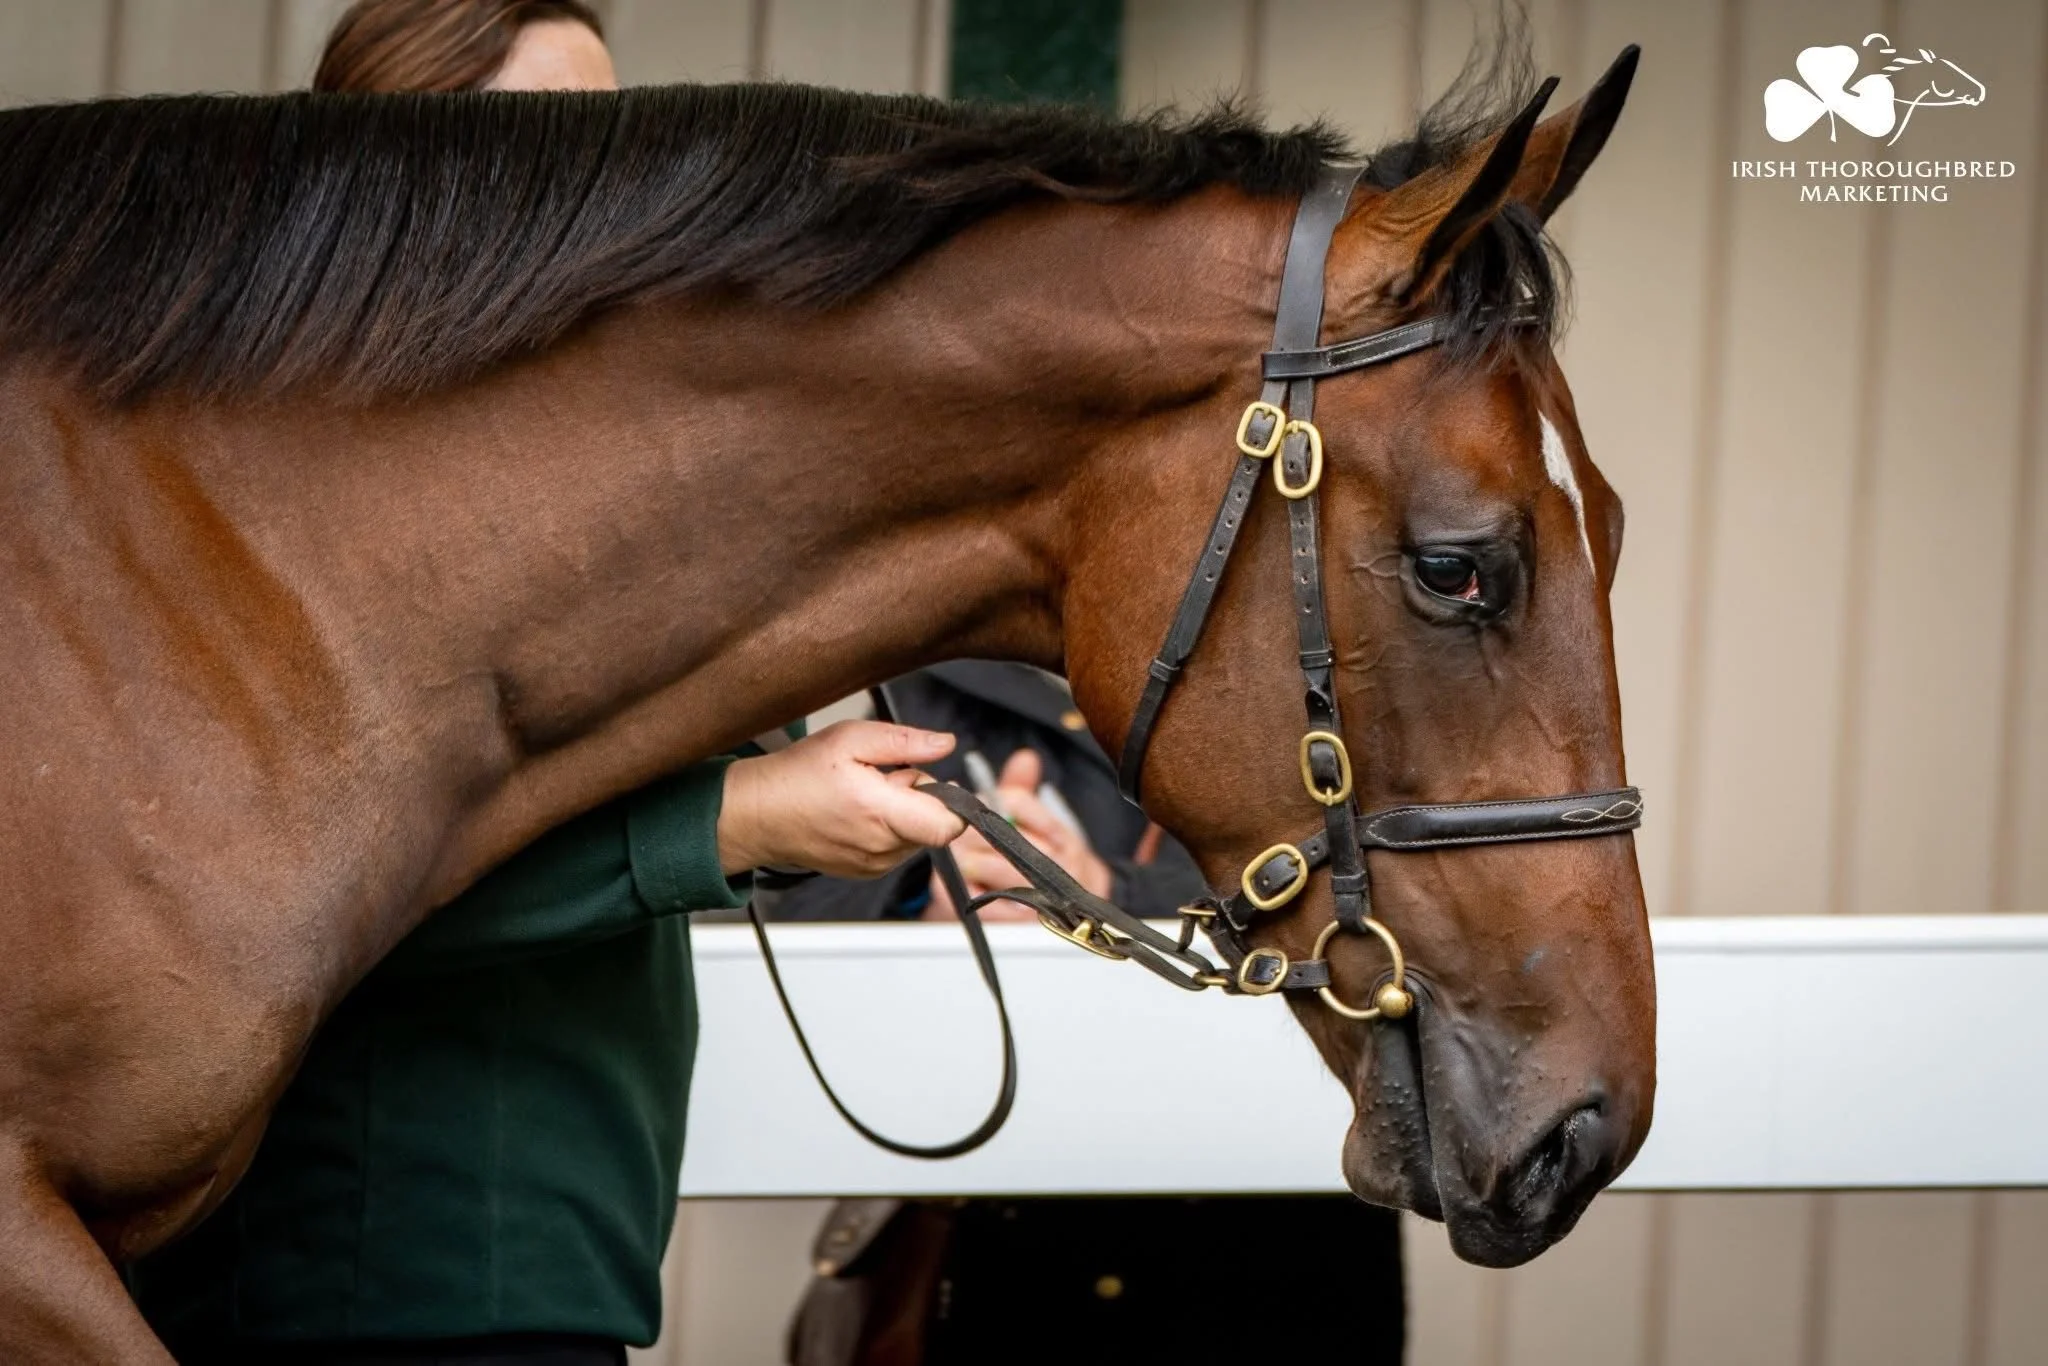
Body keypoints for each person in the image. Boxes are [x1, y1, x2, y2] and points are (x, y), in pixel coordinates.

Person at [127, 6, 968, 1364]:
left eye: (612, 135)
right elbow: (279, 899)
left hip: (557, 1271)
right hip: (362, 1280)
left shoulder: (562, 472)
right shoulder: (303, 484)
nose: (604, 188)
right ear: (391, 167)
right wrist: (732, 819)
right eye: (555, 142)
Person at [780, 663, 1406, 1366]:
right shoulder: (938, 671)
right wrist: (928, 887)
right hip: (997, 1230)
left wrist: (1110, 893)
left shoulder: (1329, 653)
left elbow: (1404, 883)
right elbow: (775, 907)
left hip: (1267, 1231)